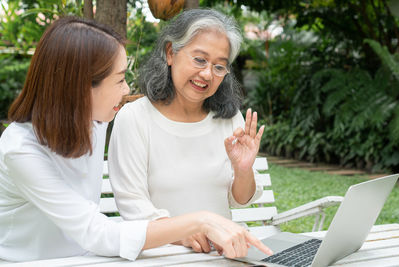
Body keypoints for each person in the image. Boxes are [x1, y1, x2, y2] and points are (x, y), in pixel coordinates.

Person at [0, 16, 272, 262]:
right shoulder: (20, 150)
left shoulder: (94, 123)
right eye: (119, 80)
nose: (128, 89)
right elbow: (96, 231)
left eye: (219, 66)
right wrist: (199, 222)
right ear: (80, 87)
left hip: (86, 260)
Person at [108, 9, 265, 253]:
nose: (206, 74)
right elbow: (133, 206)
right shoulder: (135, 118)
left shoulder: (229, 119)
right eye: (199, 60)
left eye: (219, 67)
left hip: (221, 256)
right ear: (171, 53)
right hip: (163, 255)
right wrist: (182, 234)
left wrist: (243, 170)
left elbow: (242, 199)